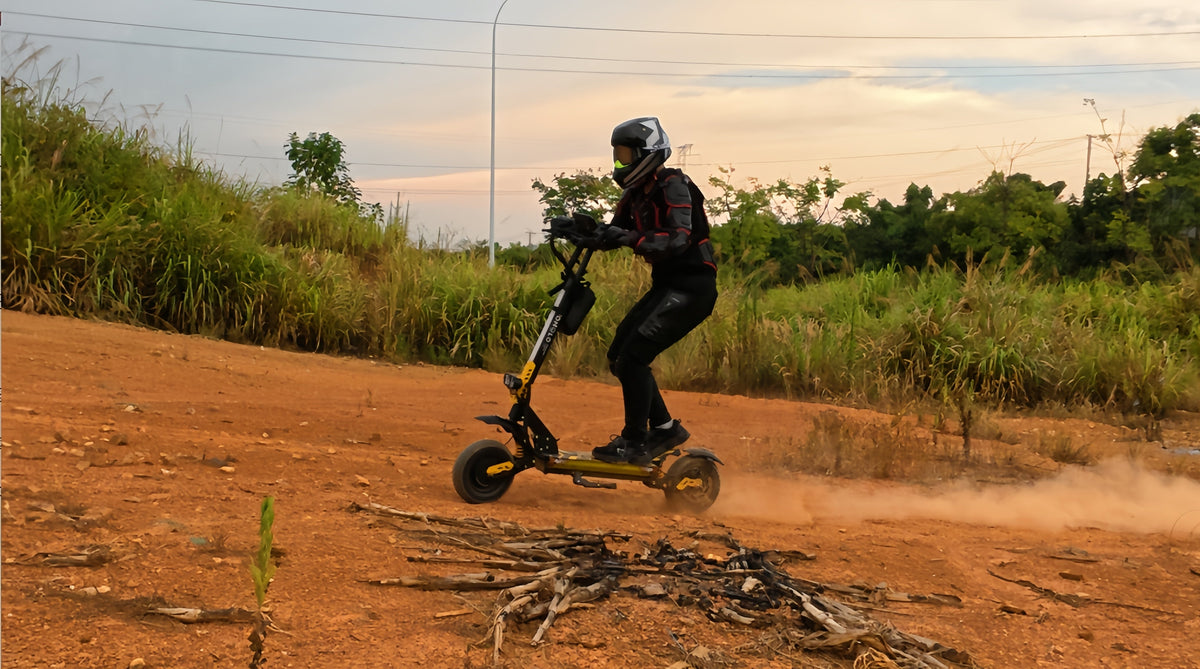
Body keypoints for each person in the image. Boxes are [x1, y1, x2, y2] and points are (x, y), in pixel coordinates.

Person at [571, 117, 718, 464]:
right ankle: (665, 429)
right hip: (668, 286)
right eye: (618, 156)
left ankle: (635, 442)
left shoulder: (673, 185)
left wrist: (629, 238)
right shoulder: (635, 194)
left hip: (692, 289)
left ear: (647, 154)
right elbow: (614, 233)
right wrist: (577, 231)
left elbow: (677, 239)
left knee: (633, 358)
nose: (620, 163)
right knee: (618, 357)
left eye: (625, 155)